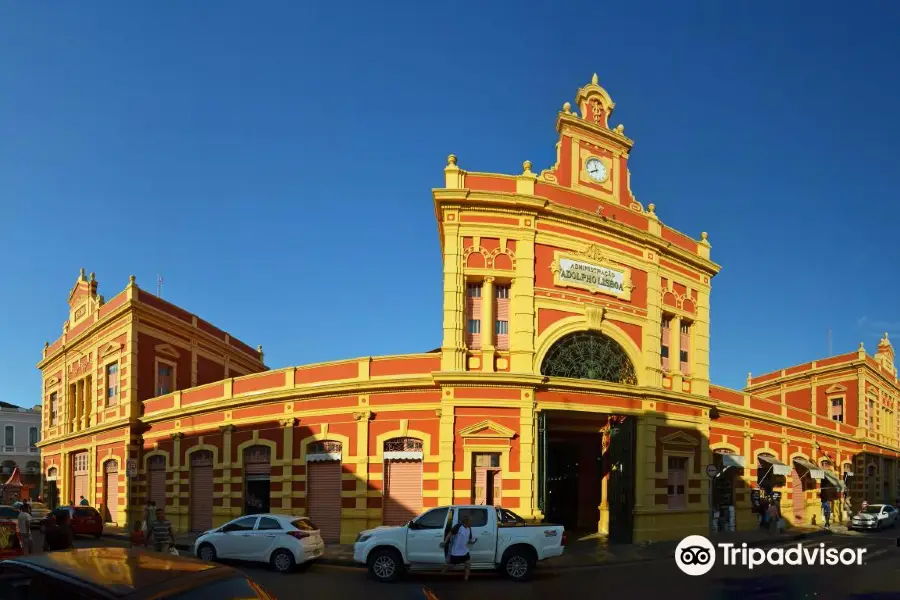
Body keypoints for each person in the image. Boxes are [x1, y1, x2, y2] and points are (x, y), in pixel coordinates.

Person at [441, 515, 476, 581]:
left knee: (468, 564)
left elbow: (469, 539)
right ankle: (442, 572)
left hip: (465, 550)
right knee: (452, 565)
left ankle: (466, 579)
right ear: (467, 522)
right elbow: (450, 533)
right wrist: (445, 542)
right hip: (456, 552)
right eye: (470, 522)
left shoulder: (469, 528)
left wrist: (472, 541)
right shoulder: (458, 526)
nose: (471, 523)